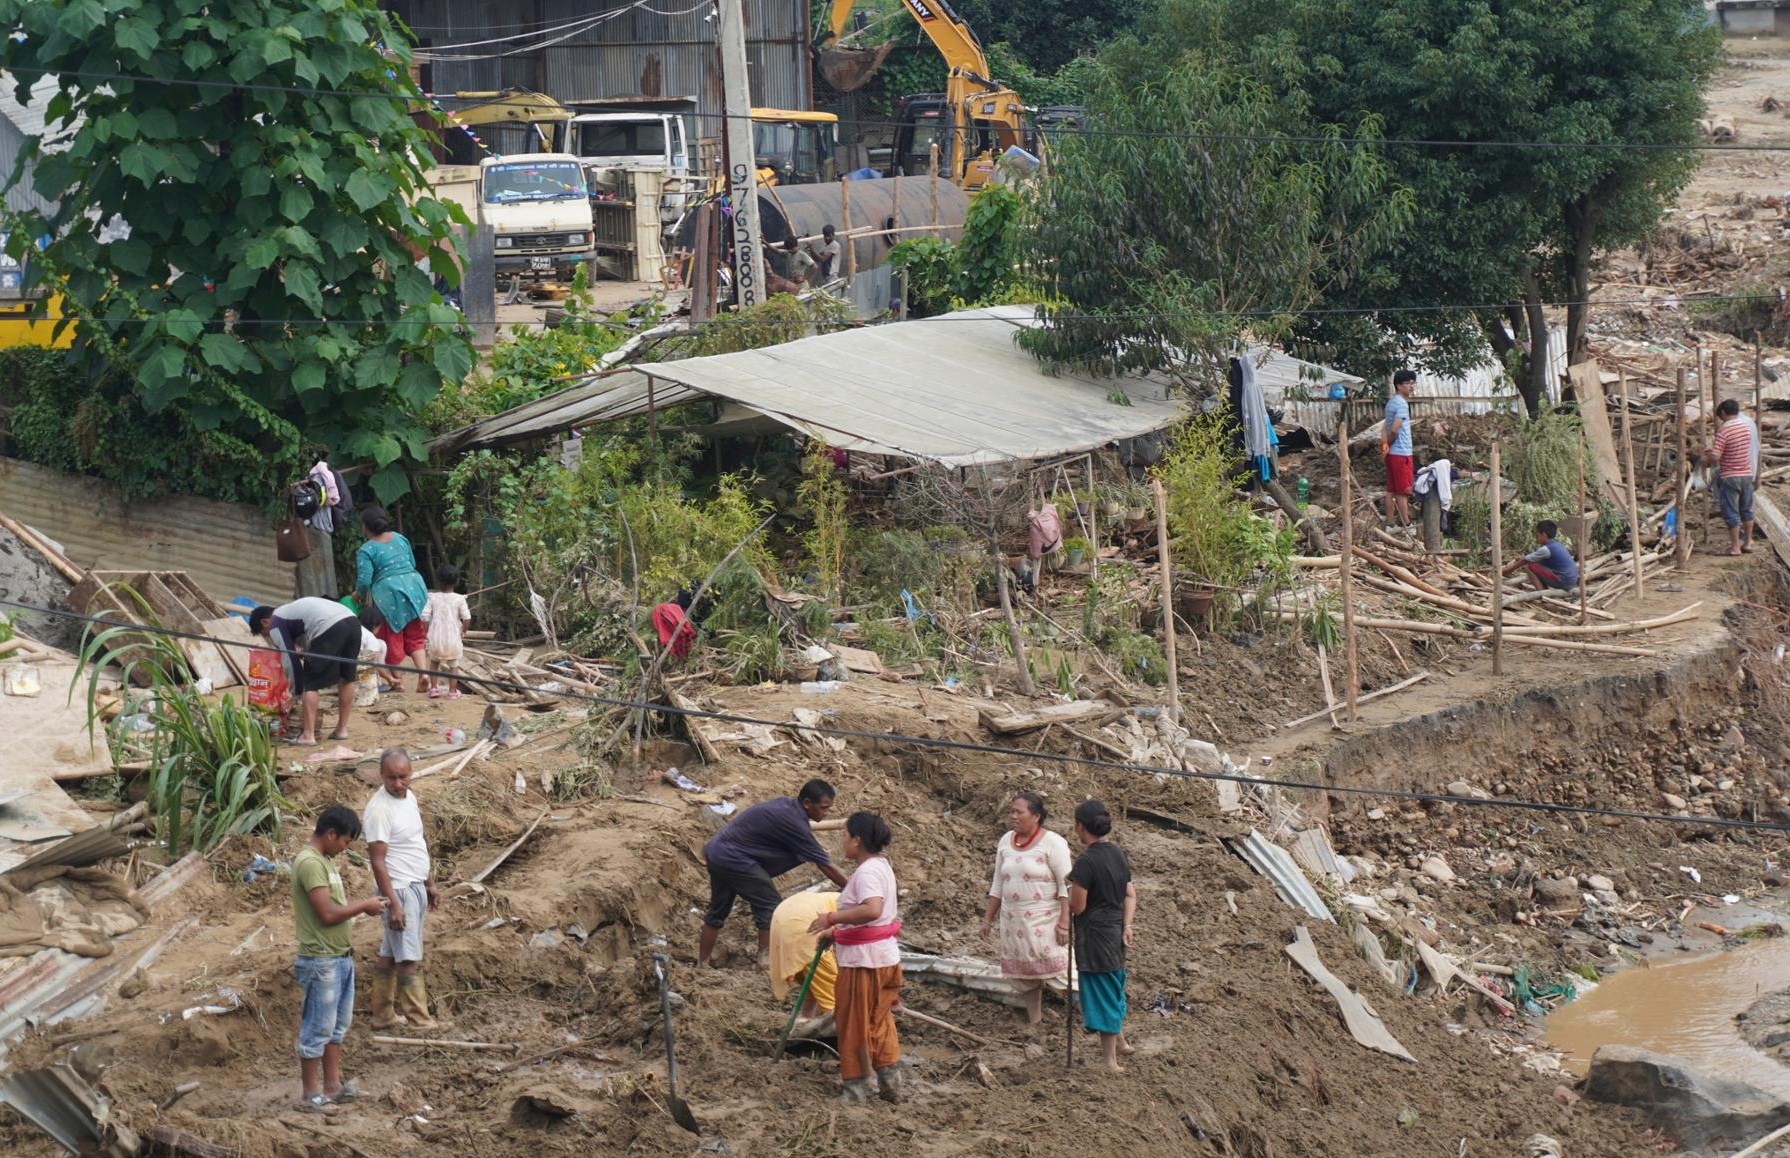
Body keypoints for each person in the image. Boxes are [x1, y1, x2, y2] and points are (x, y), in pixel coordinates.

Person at [291, 805, 388, 1113]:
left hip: (338, 957)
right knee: (317, 1028)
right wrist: (365, 906)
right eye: (345, 841)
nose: (346, 848)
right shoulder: (310, 864)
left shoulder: (326, 861)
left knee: (336, 1028)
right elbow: (327, 913)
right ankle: (310, 1095)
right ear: (331, 834)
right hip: (321, 960)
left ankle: (332, 1087)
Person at [698, 779, 850, 968]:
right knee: (771, 906)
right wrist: (854, 889)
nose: (826, 813)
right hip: (735, 859)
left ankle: (701, 965)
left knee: (717, 911)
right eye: (823, 808)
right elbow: (825, 865)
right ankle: (765, 961)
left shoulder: (786, 806)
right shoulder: (794, 823)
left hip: (717, 851)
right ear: (807, 803)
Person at [808, 811, 902, 1104]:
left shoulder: (867, 872)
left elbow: (872, 910)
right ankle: (890, 1084)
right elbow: (876, 921)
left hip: (864, 963)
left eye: (845, 835)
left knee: (854, 1023)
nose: (842, 840)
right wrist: (838, 934)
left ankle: (856, 1089)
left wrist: (831, 919)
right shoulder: (881, 866)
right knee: (879, 1020)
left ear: (857, 840)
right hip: (883, 958)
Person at [363, 749, 441, 1032]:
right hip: (398, 889)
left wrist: (429, 882)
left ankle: (382, 1014)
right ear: (381, 775)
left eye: (403, 777)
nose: (398, 783)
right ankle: (419, 1019)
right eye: (391, 778)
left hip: (414, 884)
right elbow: (377, 861)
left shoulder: (410, 798)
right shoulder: (379, 810)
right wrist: (394, 904)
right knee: (408, 956)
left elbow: (416, 843)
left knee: (391, 951)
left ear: (411, 774)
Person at [980, 791, 1072, 1025]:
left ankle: (1095, 1019)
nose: (1013, 816)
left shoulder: (1053, 843)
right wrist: (987, 918)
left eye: (1019, 812)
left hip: (1045, 922)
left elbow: (1066, 885)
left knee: (1062, 972)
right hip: (1013, 922)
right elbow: (998, 883)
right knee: (1025, 976)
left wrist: (1064, 923)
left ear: (1036, 816)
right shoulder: (1005, 841)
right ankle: (1035, 1020)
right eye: (1012, 811)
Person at [1067, 799, 1136, 1072]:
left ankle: (1110, 1061)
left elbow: (1078, 906)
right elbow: (1130, 894)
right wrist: (1127, 925)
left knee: (1102, 991)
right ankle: (1120, 1041)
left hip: (1095, 937)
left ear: (1081, 826)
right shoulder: (1117, 853)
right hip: (1116, 931)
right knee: (1115, 984)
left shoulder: (1086, 862)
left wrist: (1066, 894)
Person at [251, 598, 361, 746]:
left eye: (266, 634)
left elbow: (289, 660)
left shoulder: (275, 623)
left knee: (309, 682)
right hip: (353, 622)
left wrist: (295, 695)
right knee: (346, 677)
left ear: (265, 622)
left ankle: (308, 735)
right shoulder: (290, 611)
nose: (270, 637)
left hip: (330, 626)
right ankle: (342, 730)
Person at [355, 506, 429, 694]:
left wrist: (359, 595)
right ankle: (424, 675)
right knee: (415, 635)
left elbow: (364, 581)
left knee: (393, 637)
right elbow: (411, 563)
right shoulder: (399, 537)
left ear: (365, 527)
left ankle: (398, 681)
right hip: (414, 587)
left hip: (389, 594)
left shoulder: (366, 549)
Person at [770, 891, 840, 1034]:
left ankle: (803, 1024)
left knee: (812, 982)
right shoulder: (863, 909)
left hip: (783, 921)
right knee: (836, 994)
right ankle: (842, 1038)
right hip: (806, 925)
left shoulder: (836, 898)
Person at [1705, 398, 1759, 556]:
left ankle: (1735, 547)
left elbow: (1716, 457)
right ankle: (1748, 542)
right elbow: (1737, 449)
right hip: (1747, 474)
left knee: (1731, 511)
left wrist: (1707, 458)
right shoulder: (1746, 427)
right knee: (1747, 509)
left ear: (1723, 413)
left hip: (1730, 476)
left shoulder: (1724, 430)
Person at [420, 564, 471, 699]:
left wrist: (427, 632)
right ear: (457, 581)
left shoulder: (432, 597)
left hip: (435, 638)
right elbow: (467, 618)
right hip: (453, 639)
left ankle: (434, 689)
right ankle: (452, 692)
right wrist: (463, 631)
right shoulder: (460, 599)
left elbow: (424, 617)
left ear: (439, 581)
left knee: (434, 663)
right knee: (454, 666)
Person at [1502, 520, 1580, 592]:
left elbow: (1525, 560)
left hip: (1564, 581)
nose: (1537, 538)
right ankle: (1545, 590)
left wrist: (1507, 570)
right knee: (1537, 563)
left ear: (1543, 535)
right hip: (1571, 581)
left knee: (1529, 566)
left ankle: (1541, 593)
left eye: (1538, 535)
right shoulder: (1558, 545)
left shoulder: (1546, 549)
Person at [1383, 369, 1417, 527]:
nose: (1411, 386)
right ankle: (1407, 524)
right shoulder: (1402, 405)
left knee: (1391, 489)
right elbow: (1395, 429)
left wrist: (1385, 447)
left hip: (1392, 454)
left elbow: (1385, 426)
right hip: (1401, 453)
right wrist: (1388, 443)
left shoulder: (1391, 403)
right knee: (1403, 491)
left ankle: (1390, 523)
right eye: (1408, 383)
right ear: (1398, 385)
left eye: (1413, 383)